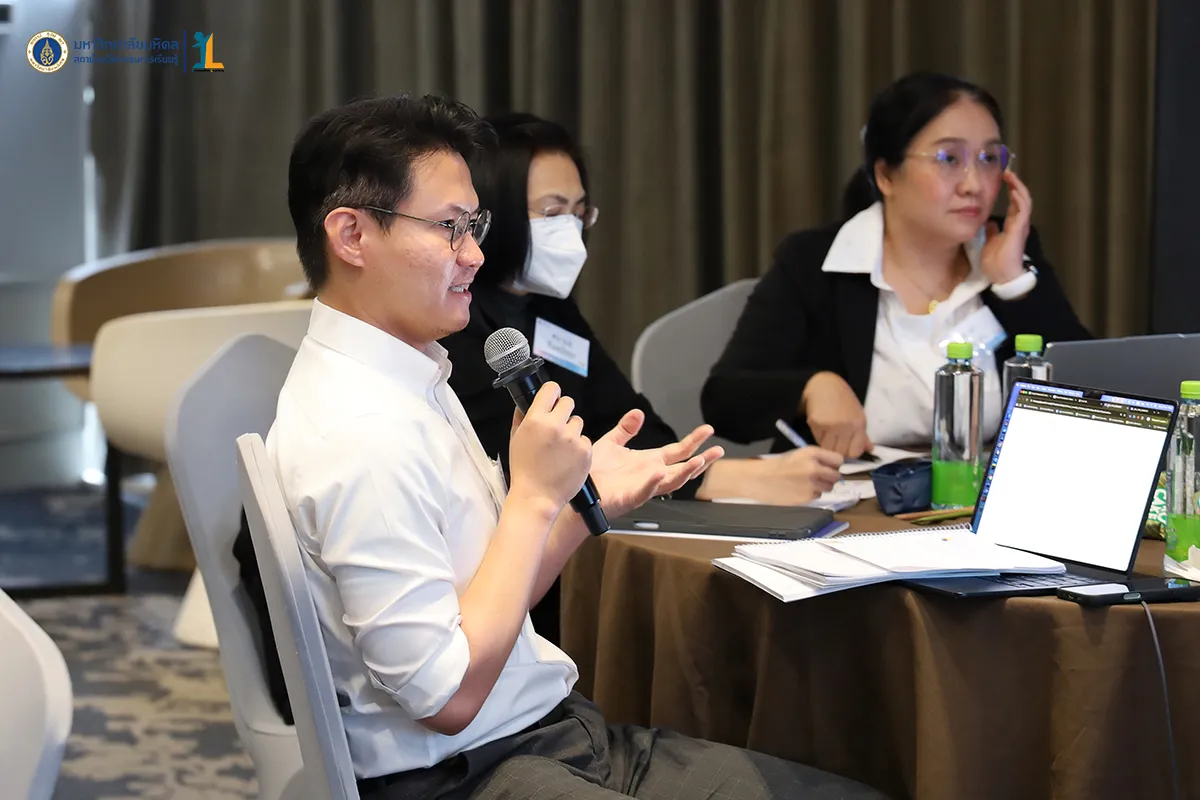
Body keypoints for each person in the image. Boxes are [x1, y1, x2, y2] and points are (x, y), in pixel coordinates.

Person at [263, 92, 887, 800]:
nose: (473, 253)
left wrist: (571, 510)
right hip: (466, 773)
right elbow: (446, 697)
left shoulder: (411, 373)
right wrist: (532, 498)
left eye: (474, 226)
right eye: (448, 228)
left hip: (541, 734)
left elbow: (478, 609)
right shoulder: (359, 429)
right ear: (351, 235)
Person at [439, 112, 846, 644]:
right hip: (507, 578)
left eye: (579, 212)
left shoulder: (550, 310)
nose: (572, 230)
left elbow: (632, 421)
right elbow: (525, 468)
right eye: (552, 212)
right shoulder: (457, 322)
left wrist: (701, 471)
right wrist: (729, 481)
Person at [702, 71, 1091, 458]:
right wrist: (811, 388)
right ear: (886, 175)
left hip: (981, 488)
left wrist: (1012, 282)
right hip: (852, 490)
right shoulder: (817, 262)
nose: (974, 184)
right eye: (949, 158)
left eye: (989, 158)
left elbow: (1093, 398)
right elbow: (725, 400)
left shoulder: (1010, 250)